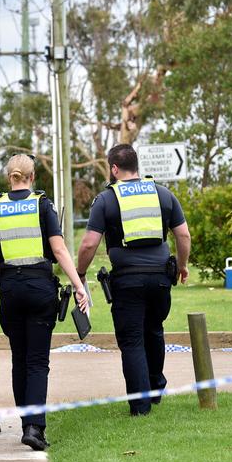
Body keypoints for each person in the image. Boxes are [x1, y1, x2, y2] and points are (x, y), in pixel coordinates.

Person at [0, 154, 88, 451]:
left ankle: (27, 423)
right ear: (32, 176)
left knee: (19, 359)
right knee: (38, 361)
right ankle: (34, 428)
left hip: (10, 288)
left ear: (9, 177)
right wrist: (79, 286)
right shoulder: (42, 204)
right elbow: (60, 250)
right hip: (39, 287)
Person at [77, 144, 191, 416]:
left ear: (114, 169)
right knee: (154, 330)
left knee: (132, 341)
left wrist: (80, 273)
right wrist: (182, 266)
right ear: (136, 166)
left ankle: (141, 407)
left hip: (127, 281)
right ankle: (156, 389)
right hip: (162, 278)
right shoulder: (162, 193)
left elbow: (89, 244)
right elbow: (183, 235)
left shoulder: (106, 199)